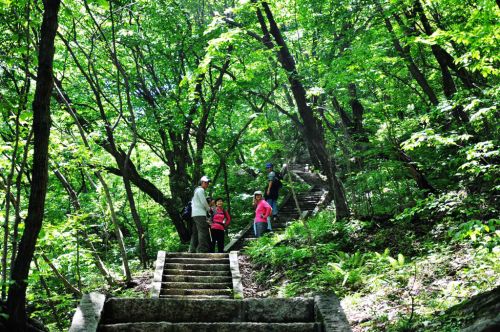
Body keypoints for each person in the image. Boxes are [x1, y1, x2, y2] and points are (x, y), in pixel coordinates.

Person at [189, 176, 212, 253]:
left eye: (208, 183)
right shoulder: (201, 190)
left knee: (195, 232)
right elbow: (203, 202)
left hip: (195, 214)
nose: (207, 184)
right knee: (203, 230)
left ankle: (192, 249)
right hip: (200, 214)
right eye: (205, 183)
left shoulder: (196, 190)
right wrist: (209, 209)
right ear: (202, 182)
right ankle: (202, 249)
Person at [264, 162, 280, 230]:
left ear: (271, 168)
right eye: (267, 168)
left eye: (268, 167)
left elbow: (270, 182)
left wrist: (268, 190)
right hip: (275, 192)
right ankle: (275, 215)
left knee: (269, 203)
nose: (268, 169)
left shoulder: (271, 173)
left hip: (271, 192)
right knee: (274, 203)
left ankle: (268, 216)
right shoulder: (275, 174)